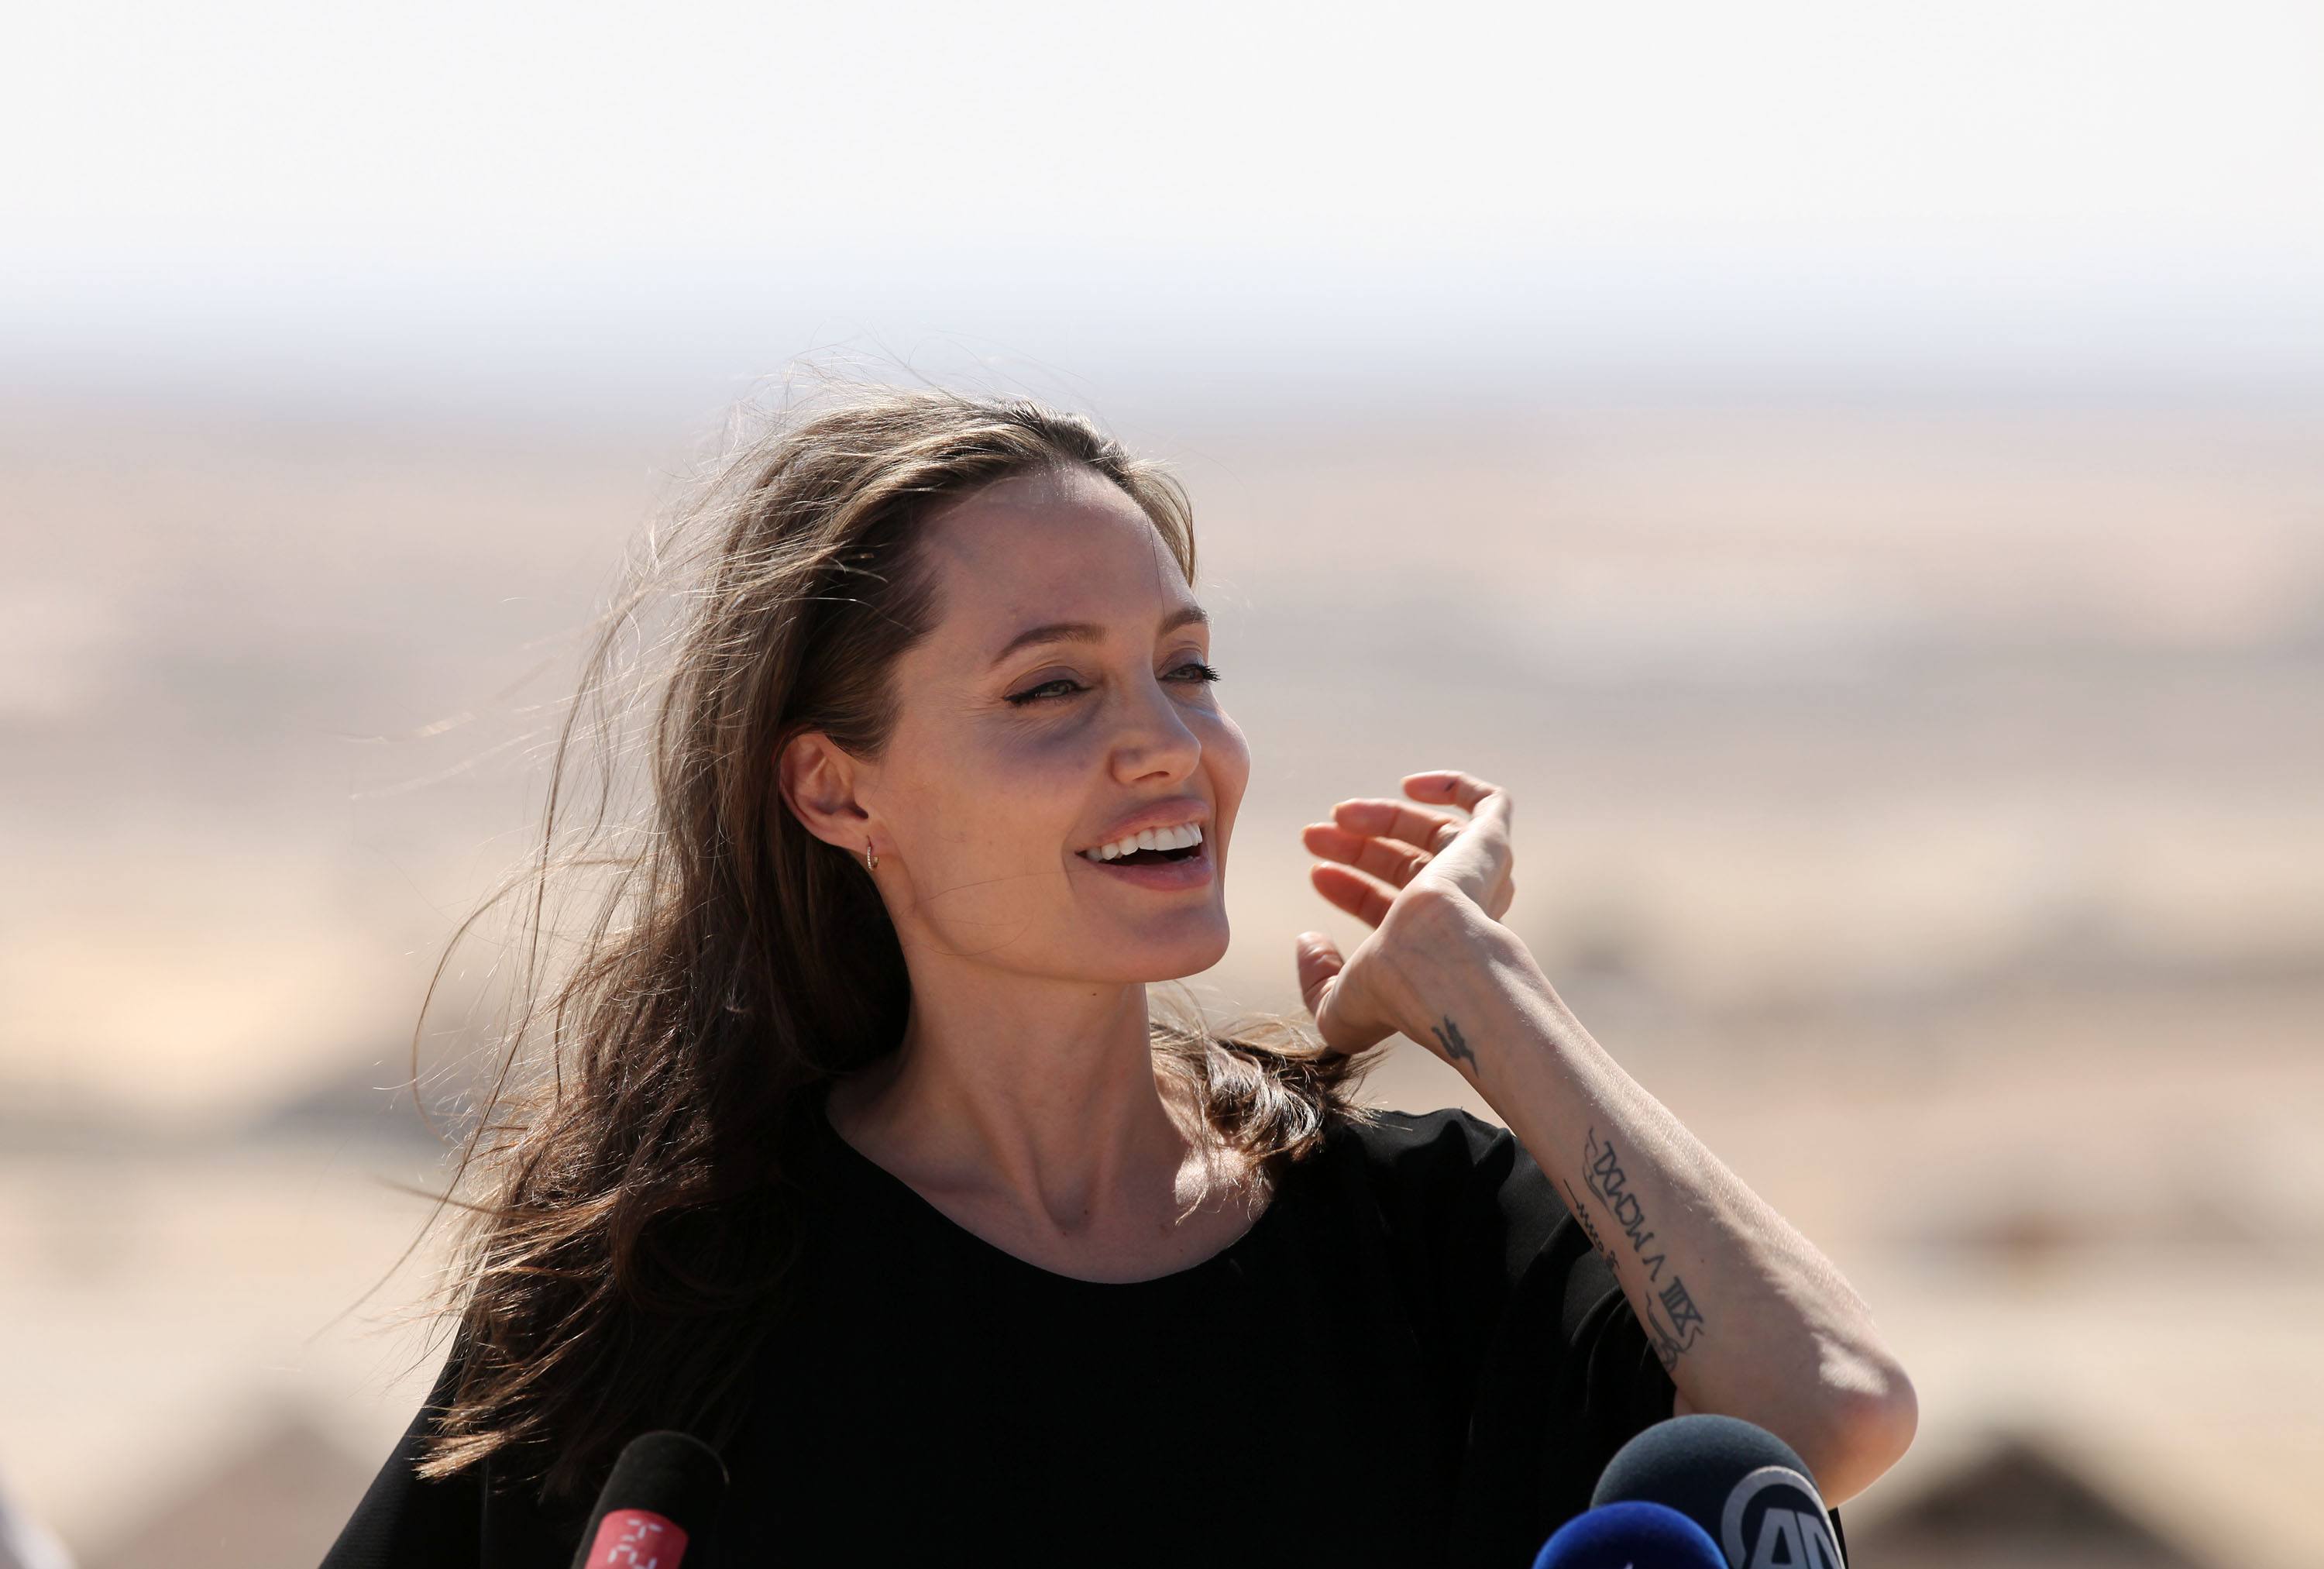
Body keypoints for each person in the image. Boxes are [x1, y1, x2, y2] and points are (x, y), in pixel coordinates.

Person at [322, 388, 1914, 1567]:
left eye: (1187, 666)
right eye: (1052, 688)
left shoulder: (1411, 1244)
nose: (1166, 742)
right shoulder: (671, 1296)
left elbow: (1831, 1407)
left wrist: (1483, 989)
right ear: (837, 789)